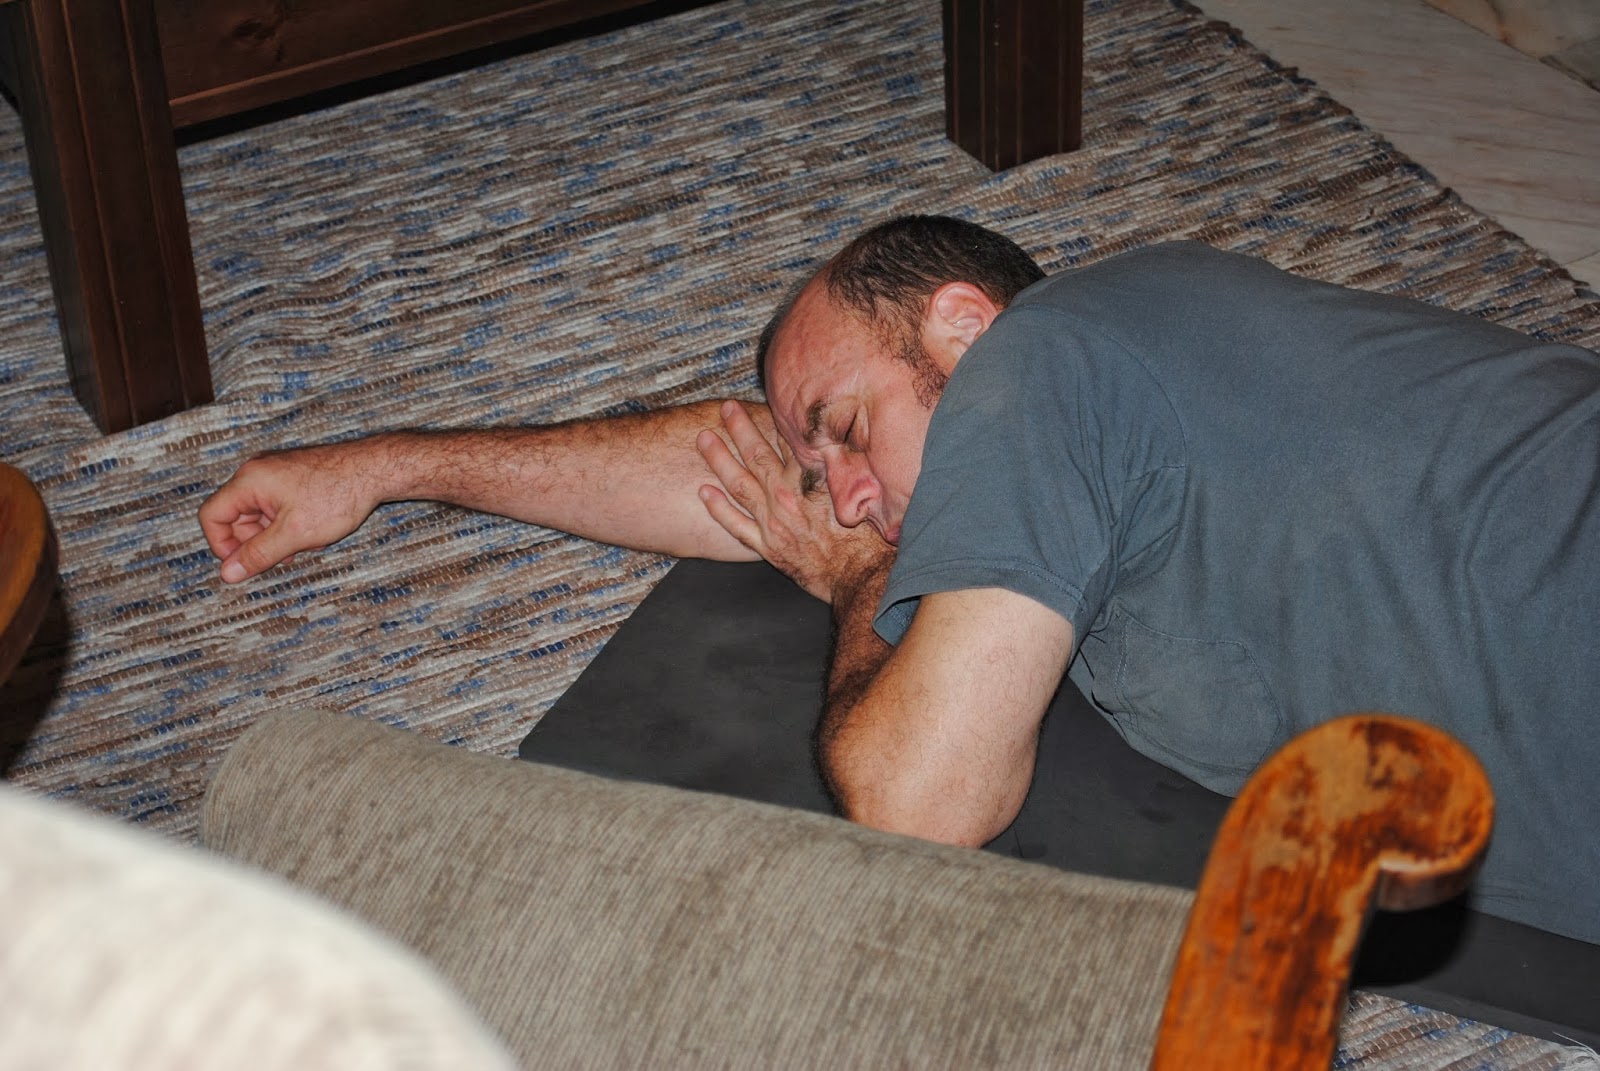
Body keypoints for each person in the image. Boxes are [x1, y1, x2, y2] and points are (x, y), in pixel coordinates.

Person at [200, 215, 1600, 944]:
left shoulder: (1046, 362)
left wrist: (855, 577)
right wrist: (380, 467)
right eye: (830, 473)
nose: (847, 497)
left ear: (964, 323)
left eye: (848, 430)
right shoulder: (1113, 393)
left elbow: (919, 803)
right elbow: (741, 472)